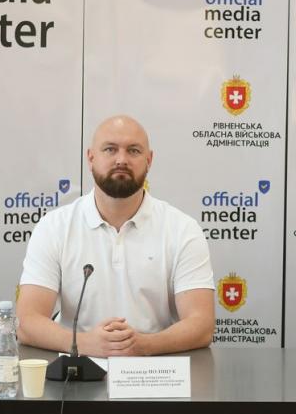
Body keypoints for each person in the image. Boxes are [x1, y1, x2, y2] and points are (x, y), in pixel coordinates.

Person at [17, 115, 215, 357]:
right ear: (91, 158)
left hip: (155, 368)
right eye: (110, 149)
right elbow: (27, 322)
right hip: (76, 369)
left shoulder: (182, 229)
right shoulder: (54, 227)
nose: (121, 159)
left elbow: (201, 325)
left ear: (149, 160)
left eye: (133, 151)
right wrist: (84, 343)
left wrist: (142, 345)